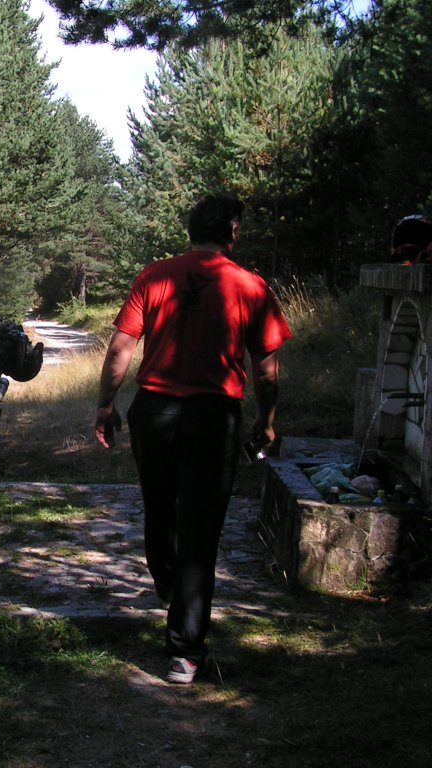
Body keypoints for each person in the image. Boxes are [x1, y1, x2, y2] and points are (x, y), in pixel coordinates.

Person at [94, 195, 292, 685]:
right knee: (201, 531)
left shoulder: (154, 276)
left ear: (191, 230)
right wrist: (266, 420)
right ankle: (184, 654)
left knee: (160, 508)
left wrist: (105, 406)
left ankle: (170, 586)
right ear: (233, 231)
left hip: (154, 412)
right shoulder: (251, 286)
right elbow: (266, 372)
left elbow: (121, 348)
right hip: (213, 417)